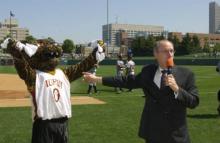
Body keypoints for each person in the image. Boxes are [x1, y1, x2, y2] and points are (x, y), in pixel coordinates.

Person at [83, 40, 199, 143]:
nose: (169, 54)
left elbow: (194, 102)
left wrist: (177, 89)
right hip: (152, 134)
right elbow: (126, 81)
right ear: (156, 54)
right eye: (165, 51)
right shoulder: (148, 71)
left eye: (171, 51)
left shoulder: (186, 74)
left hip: (176, 136)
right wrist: (97, 79)